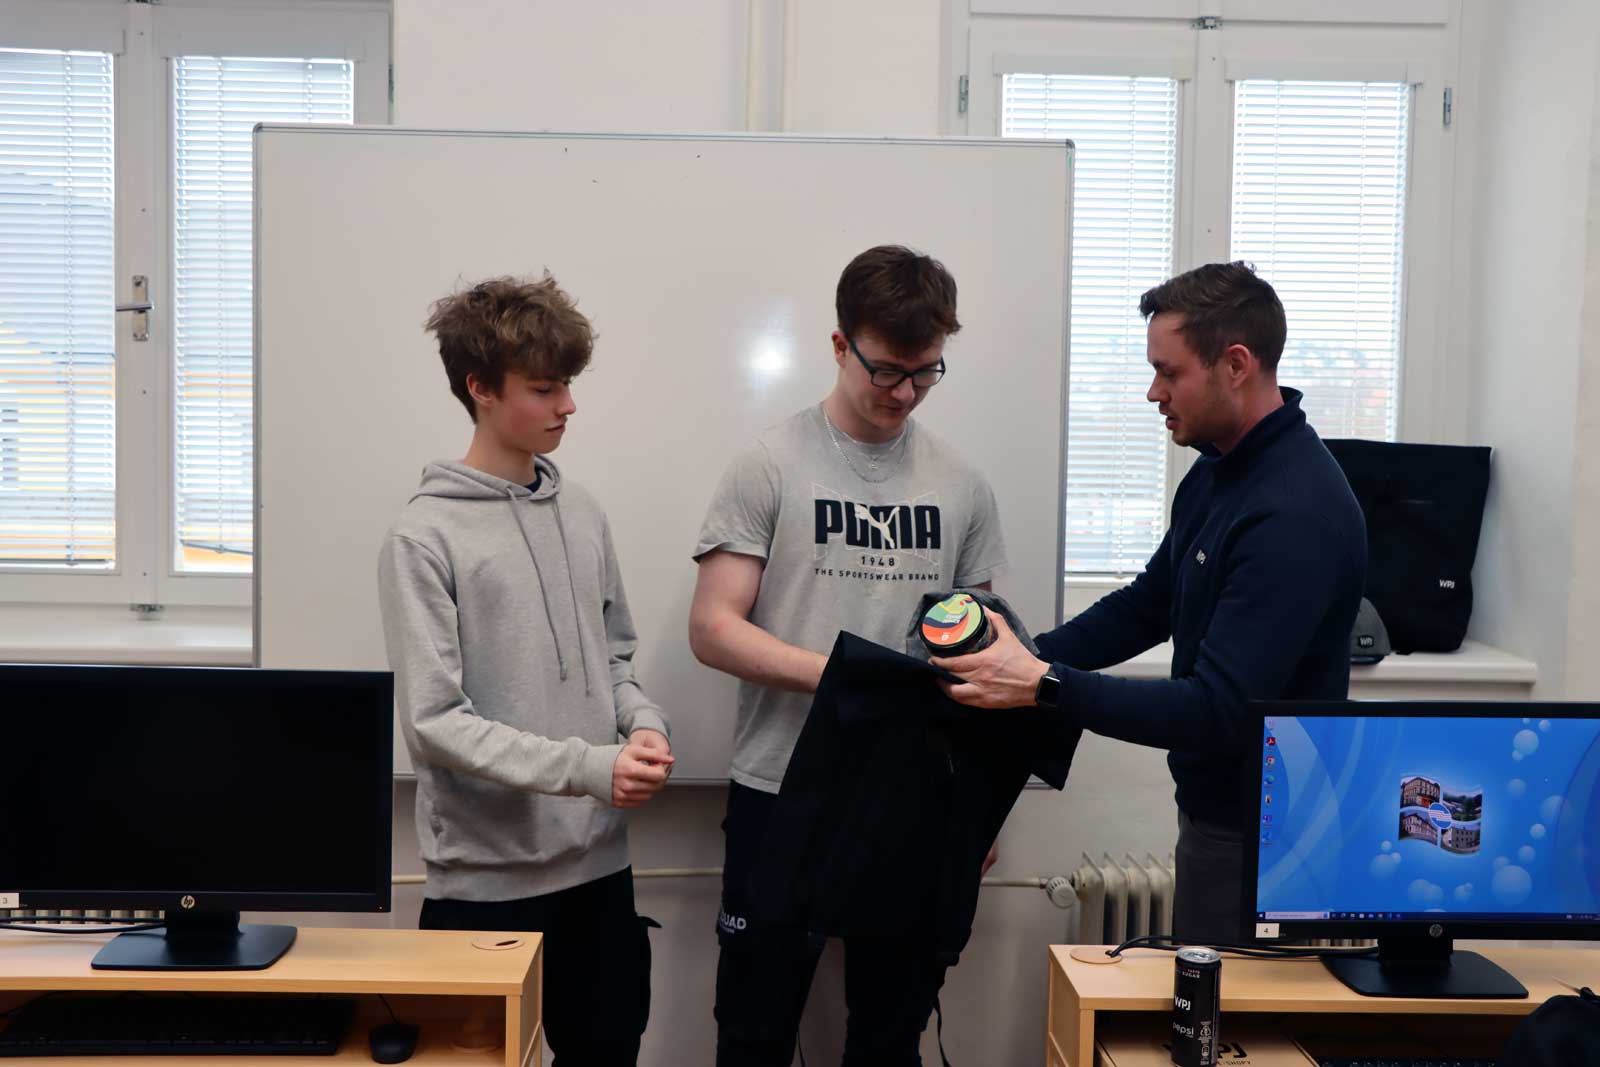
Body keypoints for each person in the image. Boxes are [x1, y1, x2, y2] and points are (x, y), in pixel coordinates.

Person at [934, 261, 1366, 944]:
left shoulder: (1294, 512)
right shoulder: (1219, 471)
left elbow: (1215, 709)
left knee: (1230, 1013)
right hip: (1215, 816)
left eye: (1169, 372)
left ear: (1236, 364)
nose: (1153, 392)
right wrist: (1019, 658)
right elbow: (1148, 605)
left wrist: (1043, 684)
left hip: (1269, 840)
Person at [689, 245, 1010, 1065]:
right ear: (840, 346)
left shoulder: (962, 484)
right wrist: (844, 680)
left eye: (926, 373)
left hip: (914, 799)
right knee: (753, 1034)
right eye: (887, 371)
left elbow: (985, 650)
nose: (904, 393)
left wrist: (975, 802)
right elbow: (713, 627)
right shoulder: (769, 465)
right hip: (782, 788)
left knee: (888, 1040)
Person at [378, 274, 672, 1065]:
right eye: (544, 388)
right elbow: (436, 724)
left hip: (601, 872)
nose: (567, 405)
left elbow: (615, 658)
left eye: (567, 384)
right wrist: (590, 767)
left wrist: (642, 725)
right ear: (480, 387)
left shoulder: (584, 513)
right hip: (486, 887)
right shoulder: (423, 538)